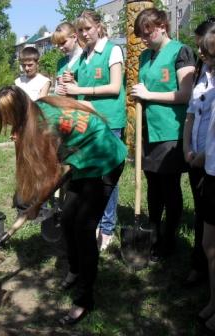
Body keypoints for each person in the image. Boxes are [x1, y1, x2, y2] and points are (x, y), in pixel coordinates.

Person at [0, 85, 126, 324]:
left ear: (18, 112)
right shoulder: (37, 109)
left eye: (6, 119)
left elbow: (55, 175)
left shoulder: (44, 125)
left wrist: (36, 205)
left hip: (104, 158)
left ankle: (84, 300)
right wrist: (35, 202)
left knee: (84, 228)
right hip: (81, 159)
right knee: (67, 220)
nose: (6, 125)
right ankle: (75, 270)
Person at [131, 8, 195, 262]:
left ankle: (169, 239)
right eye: (141, 36)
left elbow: (185, 94)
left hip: (171, 131)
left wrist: (148, 95)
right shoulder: (145, 56)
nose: (144, 40)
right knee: (153, 188)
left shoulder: (181, 51)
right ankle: (153, 234)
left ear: (162, 27)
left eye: (147, 34)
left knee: (169, 188)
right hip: (149, 130)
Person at [61, 10, 126, 250]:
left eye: (87, 28)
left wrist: (83, 90)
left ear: (99, 26)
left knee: (109, 177)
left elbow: (115, 87)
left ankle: (107, 227)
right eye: (80, 30)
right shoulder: (83, 56)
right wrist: (66, 81)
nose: (84, 33)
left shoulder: (112, 50)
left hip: (109, 121)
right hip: (87, 124)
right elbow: (71, 81)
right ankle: (95, 221)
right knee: (92, 176)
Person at [183, 18, 215, 286]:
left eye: (204, 49)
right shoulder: (199, 73)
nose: (200, 54)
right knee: (201, 215)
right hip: (195, 157)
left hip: (210, 158)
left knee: (209, 217)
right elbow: (191, 115)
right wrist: (187, 148)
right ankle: (199, 265)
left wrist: (204, 154)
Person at [196, 24, 215, 332]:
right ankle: (214, 299)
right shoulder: (210, 84)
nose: (206, 59)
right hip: (212, 169)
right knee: (209, 244)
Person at [51, 22, 83, 96]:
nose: (60, 47)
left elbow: (90, 88)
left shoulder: (86, 58)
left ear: (74, 37)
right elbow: (57, 87)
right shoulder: (61, 62)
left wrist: (74, 83)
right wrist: (57, 90)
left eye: (63, 43)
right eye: (58, 45)